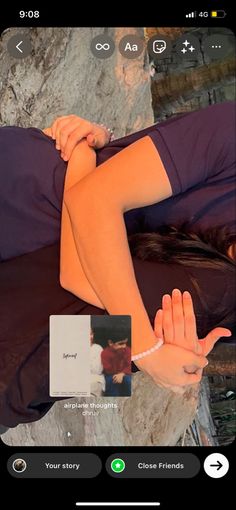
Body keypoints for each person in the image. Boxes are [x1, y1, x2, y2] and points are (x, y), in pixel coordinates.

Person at [0, 102, 235, 389]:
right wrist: (148, 349)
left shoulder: (222, 297)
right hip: (26, 203)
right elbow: (90, 209)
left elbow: (92, 355)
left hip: (35, 338)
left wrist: (153, 355)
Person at [90, 328, 105, 397]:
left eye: (91, 334)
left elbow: (98, 370)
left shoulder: (97, 348)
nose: (91, 337)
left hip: (95, 382)